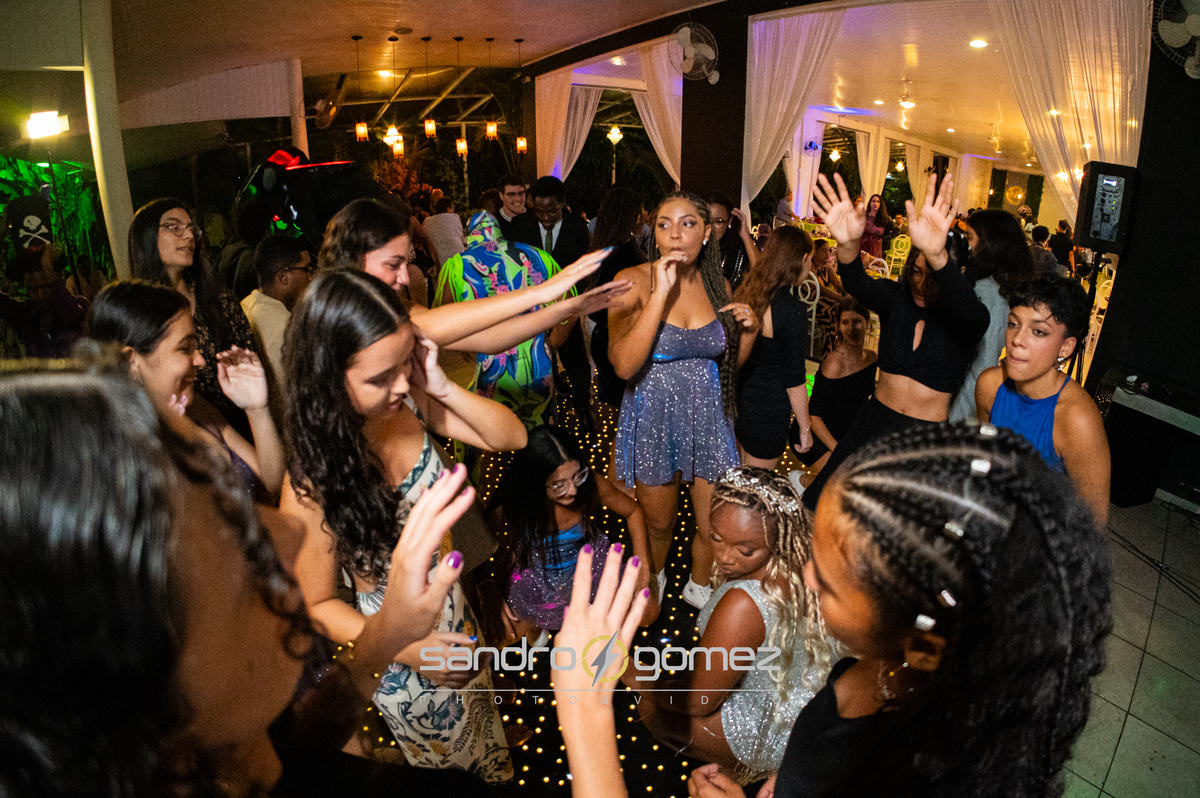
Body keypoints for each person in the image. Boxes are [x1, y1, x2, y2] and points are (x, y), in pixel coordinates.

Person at [0, 366, 495, 798]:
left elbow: (299, 751)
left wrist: (385, 639)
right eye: (228, 526)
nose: (291, 533)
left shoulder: (233, 747)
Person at [686, 423, 1111, 798]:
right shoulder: (889, 662)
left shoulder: (910, 772)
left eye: (831, 585)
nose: (807, 577)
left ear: (922, 646)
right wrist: (793, 772)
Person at [280, 270, 522, 781]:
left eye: (402, 365)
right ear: (328, 376)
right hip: (397, 651)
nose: (398, 385)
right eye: (378, 378)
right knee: (450, 777)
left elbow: (511, 437)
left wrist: (439, 387)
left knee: (490, 756)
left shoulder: (407, 400)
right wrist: (411, 650)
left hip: (454, 614)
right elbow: (316, 604)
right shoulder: (310, 479)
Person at [626, 467, 837, 783]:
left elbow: (698, 701)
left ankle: (743, 766)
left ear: (777, 536)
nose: (724, 557)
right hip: (812, 711)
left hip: (771, 730)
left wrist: (635, 676)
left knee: (649, 706)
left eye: (745, 549)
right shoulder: (804, 555)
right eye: (715, 537)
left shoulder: (744, 602)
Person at [801, 172, 989, 511]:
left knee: (891, 527)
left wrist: (937, 257)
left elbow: (972, 313)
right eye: (915, 271)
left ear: (956, 275)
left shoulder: (967, 319)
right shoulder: (895, 301)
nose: (920, 282)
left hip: (922, 440)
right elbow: (855, 281)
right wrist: (848, 244)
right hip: (873, 424)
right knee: (824, 510)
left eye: (932, 275)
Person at [608, 190, 758, 609]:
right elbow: (623, 365)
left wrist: (747, 332)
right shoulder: (630, 280)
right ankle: (652, 582)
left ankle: (699, 588)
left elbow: (727, 366)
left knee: (715, 524)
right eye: (664, 224)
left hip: (708, 417)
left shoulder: (718, 285)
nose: (675, 234)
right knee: (659, 524)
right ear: (653, 233)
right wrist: (660, 293)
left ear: (707, 233)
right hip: (654, 419)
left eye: (688, 223)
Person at [319, 198, 625, 363]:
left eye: (407, 260)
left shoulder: (401, 311)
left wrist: (566, 307)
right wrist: (541, 294)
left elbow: (490, 339)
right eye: (392, 264)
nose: (404, 276)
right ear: (354, 259)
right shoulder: (330, 319)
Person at [89, 281, 286, 497]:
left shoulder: (198, 409)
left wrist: (257, 409)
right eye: (185, 348)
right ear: (130, 362)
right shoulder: (120, 453)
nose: (200, 360)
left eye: (196, 346)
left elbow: (273, 485)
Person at [435, 212, 626, 429]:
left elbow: (444, 319)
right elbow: (570, 309)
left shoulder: (458, 265)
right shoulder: (537, 256)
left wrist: (467, 346)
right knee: (540, 431)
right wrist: (551, 344)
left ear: (469, 235)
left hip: (490, 370)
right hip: (538, 367)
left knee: (495, 435)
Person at [975, 276, 1110, 525]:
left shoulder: (1077, 418)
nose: (1017, 339)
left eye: (1038, 331)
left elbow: (1093, 525)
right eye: (1013, 324)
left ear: (1065, 348)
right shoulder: (989, 386)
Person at [497, 425, 654, 636]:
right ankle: (538, 625)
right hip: (538, 580)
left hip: (587, 570)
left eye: (577, 476)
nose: (573, 490)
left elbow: (633, 511)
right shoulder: (516, 501)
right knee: (505, 633)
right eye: (559, 484)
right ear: (536, 483)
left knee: (647, 611)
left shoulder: (591, 484)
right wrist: (491, 590)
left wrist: (643, 563)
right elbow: (485, 545)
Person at [129, 197, 261, 441]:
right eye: (174, 227)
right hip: (177, 438)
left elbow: (252, 365)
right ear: (146, 237)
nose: (188, 235)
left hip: (241, 431)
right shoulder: (136, 314)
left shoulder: (219, 301)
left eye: (191, 228)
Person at [733, 226, 815, 468]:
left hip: (739, 407)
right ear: (802, 259)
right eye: (810, 259)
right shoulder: (792, 310)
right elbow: (795, 380)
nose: (810, 267)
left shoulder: (749, 294)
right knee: (756, 487)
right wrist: (805, 428)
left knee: (738, 481)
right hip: (768, 415)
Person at [947, 209, 1035, 423]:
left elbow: (982, 366)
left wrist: (961, 418)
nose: (964, 245)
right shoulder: (993, 289)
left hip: (959, 409)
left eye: (969, 237)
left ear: (990, 245)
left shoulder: (987, 295)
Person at [794, 297, 877, 479]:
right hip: (819, 437)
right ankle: (802, 480)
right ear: (838, 326)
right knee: (842, 482)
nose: (852, 329)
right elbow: (814, 416)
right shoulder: (834, 364)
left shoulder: (871, 359)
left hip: (846, 435)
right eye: (845, 322)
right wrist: (840, 451)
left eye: (857, 321)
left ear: (867, 324)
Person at [587, 186, 647, 412]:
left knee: (615, 407)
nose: (645, 216)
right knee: (625, 409)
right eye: (641, 211)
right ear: (634, 216)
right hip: (618, 338)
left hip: (604, 336)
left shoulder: (603, 249)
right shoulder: (625, 256)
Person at [241, 235, 314, 389]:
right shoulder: (284, 327)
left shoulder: (247, 303)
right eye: (306, 270)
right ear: (283, 276)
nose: (311, 278)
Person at [0, 248, 87, 358]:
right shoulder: (25, 314)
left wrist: (49, 269)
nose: (40, 295)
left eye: (46, 286)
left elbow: (72, 313)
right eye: (32, 289)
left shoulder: (78, 305)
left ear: (56, 280)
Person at [708, 192, 759, 291]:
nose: (712, 228)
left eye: (718, 222)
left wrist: (745, 235)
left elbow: (761, 275)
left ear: (729, 221)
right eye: (707, 221)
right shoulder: (693, 247)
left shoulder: (737, 248)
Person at [809, 238, 847, 356]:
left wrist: (849, 293)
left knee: (843, 306)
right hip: (810, 301)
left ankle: (839, 343)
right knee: (833, 307)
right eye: (824, 250)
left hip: (823, 299)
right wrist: (839, 297)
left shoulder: (827, 267)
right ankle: (829, 349)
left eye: (828, 250)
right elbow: (820, 289)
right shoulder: (810, 266)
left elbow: (838, 284)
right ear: (815, 252)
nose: (828, 253)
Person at [423, 196, 466, 267]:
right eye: (452, 207)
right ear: (448, 209)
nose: (453, 210)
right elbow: (462, 240)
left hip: (436, 261)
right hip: (456, 258)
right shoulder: (454, 217)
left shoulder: (426, 221)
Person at [495, 173, 527, 241]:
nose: (517, 199)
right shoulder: (493, 223)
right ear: (501, 195)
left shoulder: (535, 218)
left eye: (521, 193)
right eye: (511, 194)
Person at [859, 194, 891, 259]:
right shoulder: (864, 215)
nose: (875, 203)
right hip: (862, 245)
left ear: (880, 204)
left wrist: (885, 238)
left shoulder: (885, 218)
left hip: (876, 248)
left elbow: (896, 230)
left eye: (878, 201)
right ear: (870, 203)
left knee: (873, 264)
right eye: (873, 201)